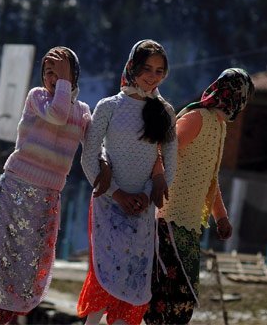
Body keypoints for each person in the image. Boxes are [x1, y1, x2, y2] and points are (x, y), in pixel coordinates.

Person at [0, 47, 91, 324]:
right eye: (49, 72)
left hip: (46, 199)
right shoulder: (37, 97)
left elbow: (93, 151)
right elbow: (58, 115)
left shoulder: (84, 112)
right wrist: (62, 81)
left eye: (62, 71)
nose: (54, 77)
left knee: (28, 268)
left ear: (75, 75)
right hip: (14, 190)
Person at [77, 39, 178, 325]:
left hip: (143, 210)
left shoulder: (165, 112)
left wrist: (147, 195)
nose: (152, 76)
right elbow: (89, 157)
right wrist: (115, 193)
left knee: (132, 282)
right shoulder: (109, 106)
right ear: (132, 67)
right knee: (104, 275)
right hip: (108, 204)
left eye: (159, 70)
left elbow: (171, 164)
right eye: (147, 68)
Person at [143, 68, 254, 325]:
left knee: (183, 301)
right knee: (166, 295)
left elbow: (210, 180)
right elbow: (163, 150)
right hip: (168, 220)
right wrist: (157, 184)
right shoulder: (197, 118)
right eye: (243, 97)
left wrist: (221, 217)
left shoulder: (220, 127)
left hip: (190, 225)